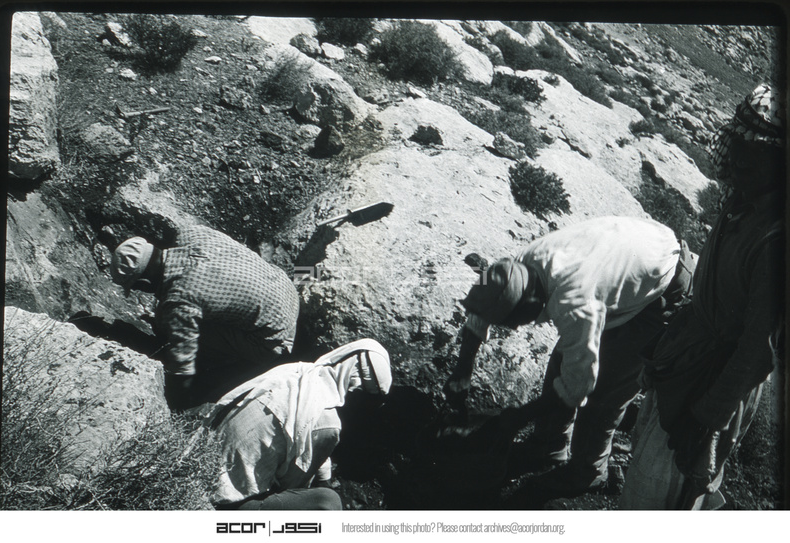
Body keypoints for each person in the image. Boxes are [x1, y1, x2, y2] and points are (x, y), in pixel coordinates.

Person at [444, 216, 695, 497]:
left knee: (604, 392)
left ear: (530, 306)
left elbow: (579, 384)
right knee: (565, 359)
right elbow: (484, 304)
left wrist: (515, 418)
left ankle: (588, 473)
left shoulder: (575, 302)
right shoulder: (516, 267)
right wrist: (462, 370)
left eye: (511, 323)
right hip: (632, 254)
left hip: (664, 285)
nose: (512, 329)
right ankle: (548, 448)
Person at [619, 84, 785, 509]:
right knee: (652, 470)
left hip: (713, 382)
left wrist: (707, 419)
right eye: (740, 144)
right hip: (685, 356)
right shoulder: (743, 197)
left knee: (660, 491)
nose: (741, 159)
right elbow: (710, 290)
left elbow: (757, 352)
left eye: (760, 151)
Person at [110, 224, 300, 410]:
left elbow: (183, 365)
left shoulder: (179, 300)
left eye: (137, 287)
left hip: (275, 340)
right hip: (288, 289)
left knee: (170, 325)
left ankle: (224, 371)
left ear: (144, 282)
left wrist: (178, 402)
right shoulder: (190, 233)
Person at [208, 338, 393, 510]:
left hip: (205, 458)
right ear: (356, 388)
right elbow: (290, 486)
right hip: (227, 498)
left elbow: (304, 435)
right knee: (328, 501)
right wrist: (321, 486)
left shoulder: (300, 371)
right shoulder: (328, 421)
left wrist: (324, 475)